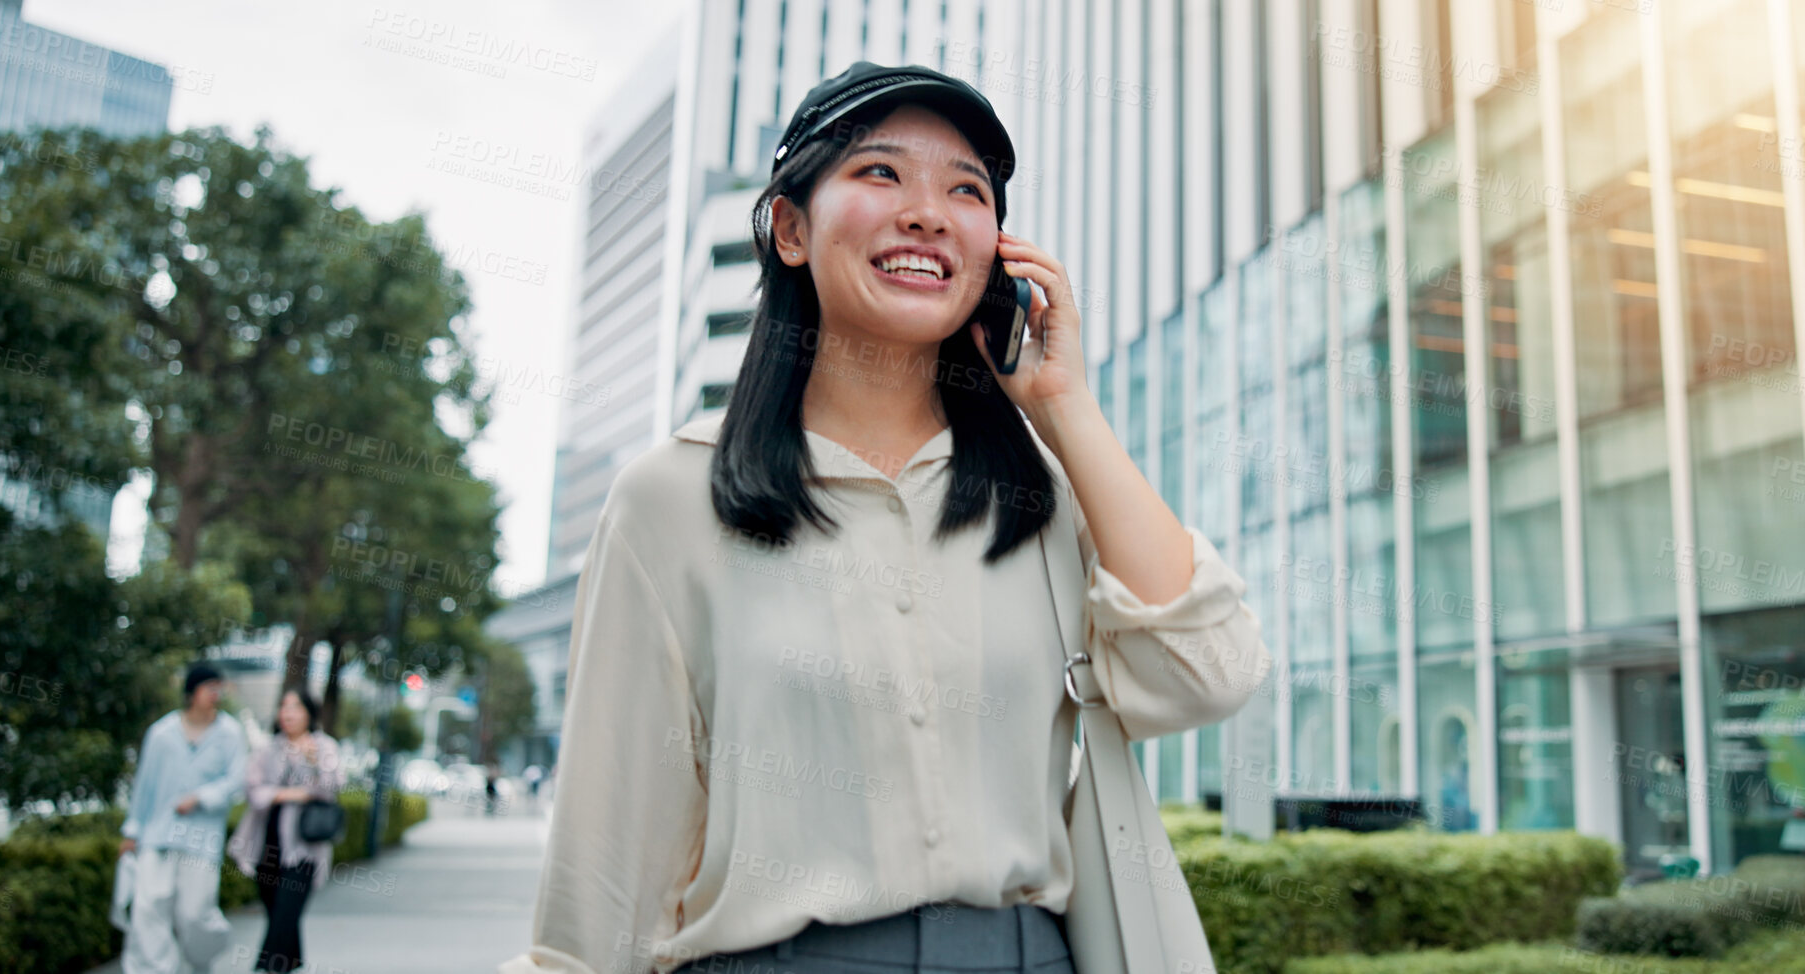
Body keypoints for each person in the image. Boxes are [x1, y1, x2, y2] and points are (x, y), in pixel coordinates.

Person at [498, 61, 1272, 974]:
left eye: (966, 190)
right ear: (790, 227)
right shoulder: (672, 499)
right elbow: (607, 857)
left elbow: (1208, 677)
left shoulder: (1038, 495)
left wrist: (1065, 408)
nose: (928, 212)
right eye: (879, 173)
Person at [118, 662, 248, 974]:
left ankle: (201, 963)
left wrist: (201, 797)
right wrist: (132, 831)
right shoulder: (162, 733)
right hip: (157, 835)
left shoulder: (230, 733)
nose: (215, 693)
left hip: (201, 839)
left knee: (195, 913)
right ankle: (155, 969)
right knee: (148, 909)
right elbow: (144, 786)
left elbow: (236, 781)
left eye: (219, 687)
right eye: (209, 687)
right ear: (192, 692)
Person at [226, 687, 342, 973]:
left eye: (296, 707)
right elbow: (253, 792)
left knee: (285, 915)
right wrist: (294, 794)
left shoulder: (323, 747)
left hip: (303, 847)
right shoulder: (268, 748)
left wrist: (313, 764)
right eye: (284, 706)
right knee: (277, 914)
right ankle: (289, 964)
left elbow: (331, 787)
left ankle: (265, 968)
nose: (288, 713)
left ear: (309, 714)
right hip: (266, 842)